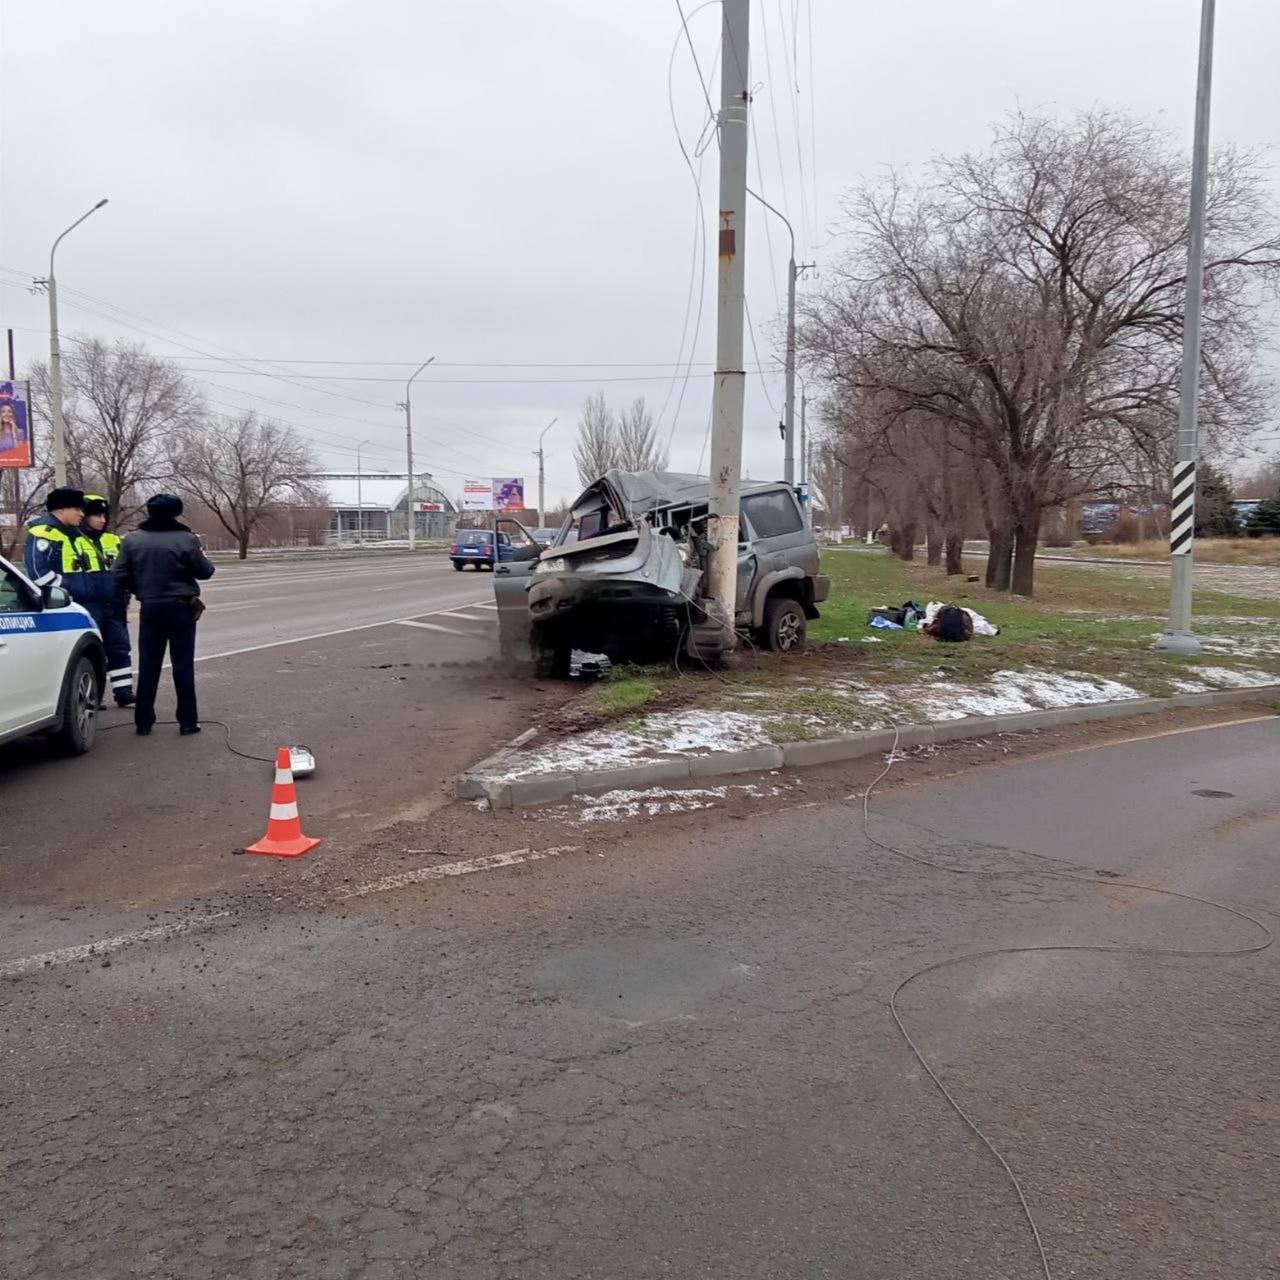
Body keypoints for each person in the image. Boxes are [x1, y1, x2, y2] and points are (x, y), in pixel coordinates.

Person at [112, 493, 215, 736]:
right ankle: (188, 722)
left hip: (150, 606)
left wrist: (141, 589)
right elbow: (205, 571)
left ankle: (144, 722)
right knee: (182, 665)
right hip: (181, 607)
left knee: (148, 665)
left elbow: (119, 576)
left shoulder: (132, 540)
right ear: (176, 513)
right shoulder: (187, 539)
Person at [79, 494, 136, 707]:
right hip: (88, 605)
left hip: (114, 604)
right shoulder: (73, 540)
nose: (102, 520)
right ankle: (93, 696)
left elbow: (126, 569)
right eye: (96, 515)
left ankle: (124, 693)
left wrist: (126, 592)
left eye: (104, 515)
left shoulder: (112, 540)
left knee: (120, 647)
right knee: (93, 651)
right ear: (84, 516)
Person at [24, 487, 92, 595]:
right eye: (77, 509)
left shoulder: (70, 533)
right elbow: (38, 573)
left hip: (76, 603)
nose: (82, 514)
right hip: (59, 604)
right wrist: (65, 589)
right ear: (62, 509)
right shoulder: (43, 532)